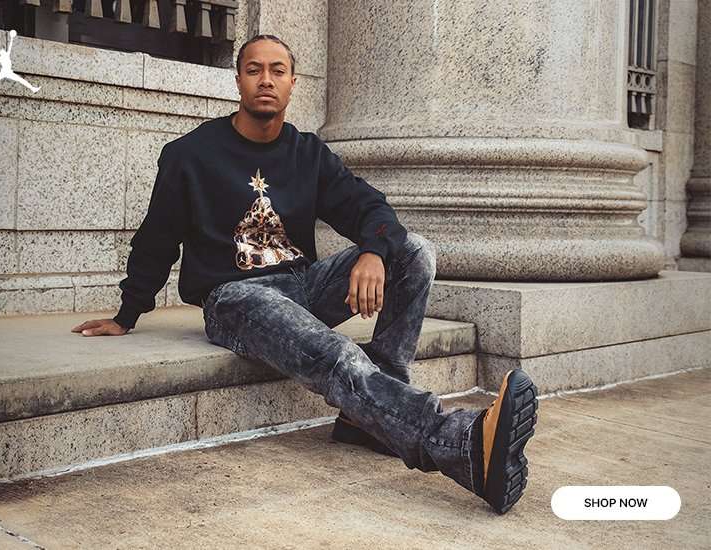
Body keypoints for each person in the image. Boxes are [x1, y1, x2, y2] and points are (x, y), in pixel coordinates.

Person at [71, 35, 538, 514]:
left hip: (302, 284)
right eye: (254, 70)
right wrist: (127, 313)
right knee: (335, 351)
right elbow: (157, 238)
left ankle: (369, 420)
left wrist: (373, 252)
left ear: (293, 83)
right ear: (238, 81)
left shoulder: (308, 153)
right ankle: (454, 441)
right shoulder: (190, 155)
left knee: (413, 250)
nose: (266, 80)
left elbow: (370, 206)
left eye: (277, 70)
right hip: (235, 298)